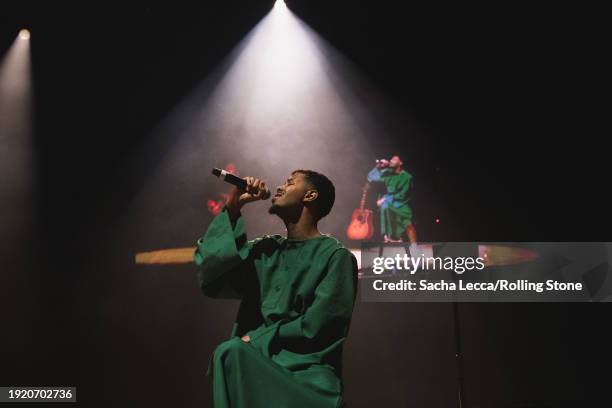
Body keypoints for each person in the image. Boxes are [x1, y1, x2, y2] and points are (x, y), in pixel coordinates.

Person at [194, 170, 358, 408]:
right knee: (229, 353)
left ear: (310, 196)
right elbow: (213, 276)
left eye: (290, 183)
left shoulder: (335, 256)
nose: (280, 187)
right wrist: (233, 208)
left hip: (305, 379)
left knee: (231, 351)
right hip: (256, 363)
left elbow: (320, 325)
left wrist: (258, 337)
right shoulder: (266, 250)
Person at [367, 155, 417, 244]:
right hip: (389, 203)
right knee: (384, 207)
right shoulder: (387, 173)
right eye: (391, 159)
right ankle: (390, 236)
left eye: (394, 159)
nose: (391, 161)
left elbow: (403, 195)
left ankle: (414, 247)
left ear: (400, 163)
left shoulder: (407, 177)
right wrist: (378, 166)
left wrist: (385, 199)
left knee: (408, 225)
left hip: (401, 204)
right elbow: (371, 178)